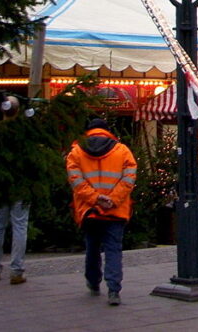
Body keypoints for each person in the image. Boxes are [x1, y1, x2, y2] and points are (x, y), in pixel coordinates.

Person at [66, 118, 137, 306]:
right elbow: (129, 179)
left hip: (89, 210)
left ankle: (93, 281)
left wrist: (95, 199)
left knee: (92, 247)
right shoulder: (122, 151)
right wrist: (112, 199)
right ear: (107, 131)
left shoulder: (76, 152)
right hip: (115, 210)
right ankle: (113, 289)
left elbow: (76, 181)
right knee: (113, 249)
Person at [0, 96, 28, 285]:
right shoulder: (24, 133)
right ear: (17, 111)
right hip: (19, 184)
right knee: (19, 226)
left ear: (2, 111)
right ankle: (16, 270)